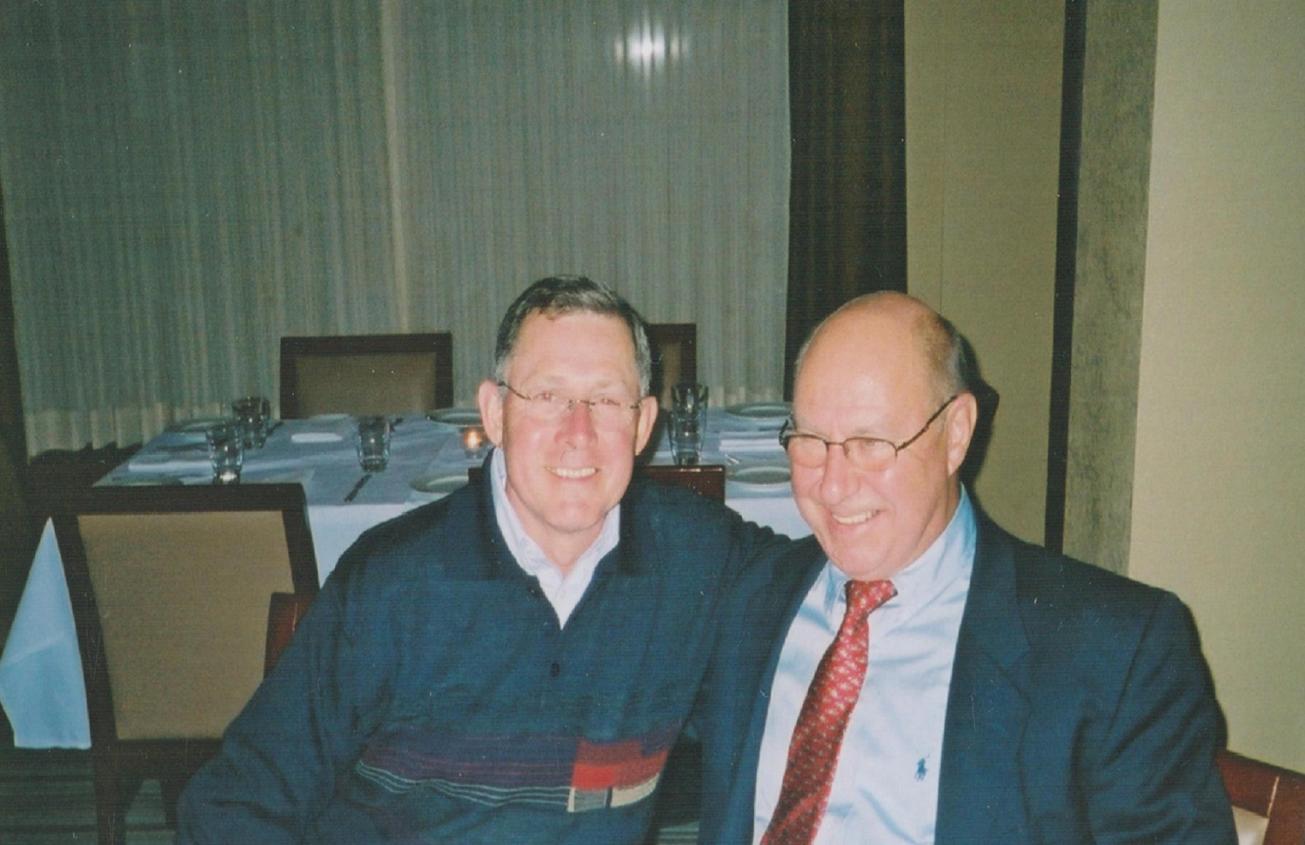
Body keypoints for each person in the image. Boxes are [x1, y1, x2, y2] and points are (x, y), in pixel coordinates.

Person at [177, 276, 783, 843]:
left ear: (644, 423)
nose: (578, 432)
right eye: (548, 395)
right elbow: (230, 807)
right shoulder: (394, 583)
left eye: (606, 399)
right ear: (495, 413)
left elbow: (821, 579)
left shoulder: (699, 556)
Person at [695, 292, 1235, 843]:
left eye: (870, 443)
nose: (832, 486)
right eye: (810, 440)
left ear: (955, 433)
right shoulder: (750, 598)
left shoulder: (1114, 651)